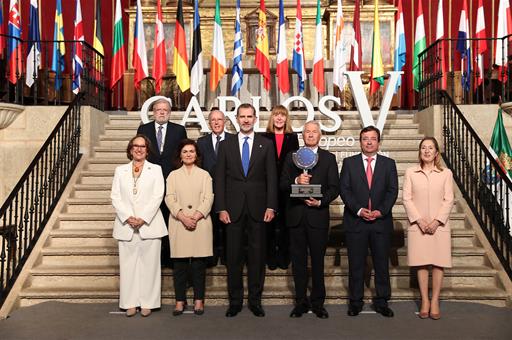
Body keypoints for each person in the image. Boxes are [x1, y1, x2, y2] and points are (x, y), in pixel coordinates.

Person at [215, 103, 278, 317]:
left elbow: (272, 177)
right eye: (242, 116)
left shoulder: (266, 144)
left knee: (257, 257)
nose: (246, 120)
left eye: (249, 116)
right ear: (236, 119)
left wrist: (271, 205)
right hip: (232, 210)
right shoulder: (226, 145)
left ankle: (255, 300)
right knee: (233, 257)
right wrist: (221, 208)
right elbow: (220, 179)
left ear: (255, 118)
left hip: (259, 209)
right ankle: (235, 301)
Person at [280, 121, 339, 319]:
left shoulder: (329, 158)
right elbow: (282, 184)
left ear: (320, 135)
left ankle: (318, 303)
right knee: (297, 263)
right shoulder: (291, 157)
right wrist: (296, 181)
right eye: (307, 131)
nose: (311, 134)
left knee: (318, 263)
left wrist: (320, 202)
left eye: (314, 132)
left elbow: (334, 188)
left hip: (317, 218)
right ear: (302, 135)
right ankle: (300, 302)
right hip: (295, 217)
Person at [339, 126, 398, 317]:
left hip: (380, 222)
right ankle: (355, 301)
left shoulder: (389, 164)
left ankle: (382, 301)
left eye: (373, 138)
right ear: (360, 141)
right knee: (356, 264)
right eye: (365, 138)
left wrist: (380, 211)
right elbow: (345, 189)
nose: (369, 142)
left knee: (381, 264)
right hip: (356, 222)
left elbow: (392, 191)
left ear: (379, 142)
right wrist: (358, 210)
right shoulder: (349, 163)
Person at [111, 135, 168, 317]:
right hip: (126, 225)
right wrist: (128, 217)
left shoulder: (156, 169)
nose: (139, 149)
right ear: (130, 149)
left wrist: (143, 218)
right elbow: (115, 196)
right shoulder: (120, 170)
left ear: (147, 150)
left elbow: (158, 195)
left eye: (142, 146)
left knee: (150, 266)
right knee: (128, 266)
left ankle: (148, 302)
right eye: (135, 146)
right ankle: (129, 302)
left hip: (149, 225)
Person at [402, 137, 454, 320]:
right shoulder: (411, 172)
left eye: (430, 148)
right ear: (420, 152)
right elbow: (406, 199)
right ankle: (425, 299)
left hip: (439, 226)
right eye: (423, 148)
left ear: (436, 152)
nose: (427, 151)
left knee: (438, 263)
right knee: (422, 262)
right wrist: (420, 221)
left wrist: (436, 221)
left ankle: (435, 300)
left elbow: (449, 199)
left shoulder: (446, 173)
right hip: (418, 226)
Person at [165, 139, 214, 316]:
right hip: (179, 223)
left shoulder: (205, 175)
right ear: (180, 154)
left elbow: (209, 198)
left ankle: (199, 301)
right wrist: (183, 217)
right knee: (180, 266)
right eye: (185, 151)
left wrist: (196, 215)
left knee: (199, 266)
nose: (188, 154)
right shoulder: (172, 176)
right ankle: (180, 301)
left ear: (196, 155)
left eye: (191, 151)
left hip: (200, 223)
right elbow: (169, 198)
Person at [137, 98, 187, 266]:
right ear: (153, 112)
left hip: (172, 182)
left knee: (170, 220)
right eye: (158, 109)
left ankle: (169, 257)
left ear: (170, 112)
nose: (162, 112)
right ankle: (153, 257)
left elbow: (183, 156)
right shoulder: (143, 129)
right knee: (152, 219)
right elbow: (139, 154)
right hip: (150, 183)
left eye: (165, 109)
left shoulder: (179, 130)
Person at [261, 105, 299, 270]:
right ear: (272, 117)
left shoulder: (293, 137)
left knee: (285, 224)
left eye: (282, 115)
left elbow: (296, 162)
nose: (279, 118)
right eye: (276, 115)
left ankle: (284, 257)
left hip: (286, 186)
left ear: (286, 118)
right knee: (268, 225)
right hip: (267, 186)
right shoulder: (263, 137)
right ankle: (270, 257)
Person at [197, 109, 235, 267]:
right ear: (209, 123)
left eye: (219, 119)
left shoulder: (234, 140)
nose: (217, 122)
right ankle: (211, 257)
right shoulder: (201, 142)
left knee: (229, 227)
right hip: (208, 191)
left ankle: (227, 256)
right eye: (213, 120)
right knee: (210, 225)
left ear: (225, 121)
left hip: (230, 191)